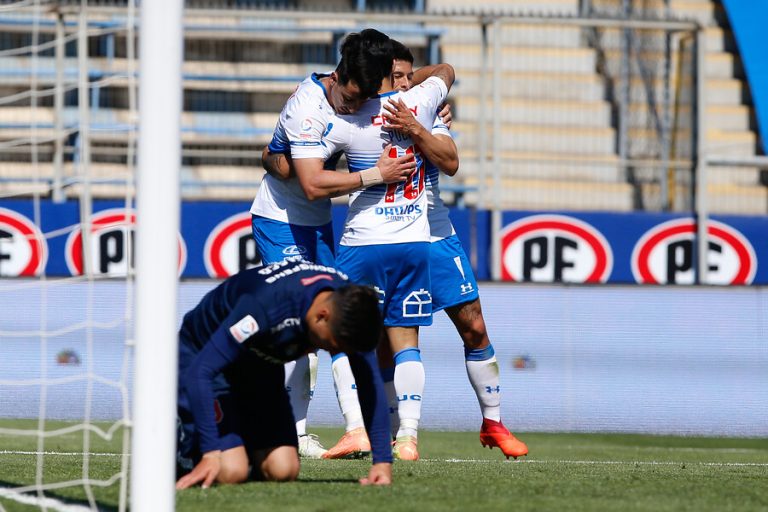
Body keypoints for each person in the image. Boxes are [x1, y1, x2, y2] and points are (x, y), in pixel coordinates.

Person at [250, 28, 415, 460]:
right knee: (301, 320)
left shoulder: (366, 93)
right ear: (338, 75)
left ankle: (356, 430)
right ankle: (293, 431)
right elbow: (309, 183)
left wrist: (430, 103)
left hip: (319, 226)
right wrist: (376, 175)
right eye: (351, 97)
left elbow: (434, 74)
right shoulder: (308, 107)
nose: (356, 107)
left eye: (365, 98)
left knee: (337, 320)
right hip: (281, 221)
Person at [380, 44, 528, 460]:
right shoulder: (362, 113)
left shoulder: (424, 109)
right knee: (384, 339)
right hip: (385, 237)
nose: (407, 83)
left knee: (475, 326)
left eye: (411, 75)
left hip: (435, 234)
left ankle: (493, 423)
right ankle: (392, 432)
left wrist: (416, 119)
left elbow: (450, 161)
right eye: (397, 76)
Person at [315, 57, 456, 461]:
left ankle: (357, 430)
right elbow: (446, 70)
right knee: (406, 341)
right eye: (400, 75)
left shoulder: (351, 119)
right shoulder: (423, 104)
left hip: (362, 246)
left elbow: (311, 172)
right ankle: (408, 437)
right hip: (414, 242)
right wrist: (420, 83)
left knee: (341, 335)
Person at [175, 257, 393, 489]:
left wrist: (382, 462)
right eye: (332, 345)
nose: (332, 351)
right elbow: (200, 371)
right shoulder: (265, 307)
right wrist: (210, 453)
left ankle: (238, 445)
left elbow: (369, 384)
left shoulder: (354, 315)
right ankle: (182, 450)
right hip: (206, 357)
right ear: (322, 315)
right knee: (230, 471)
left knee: (283, 469)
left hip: (260, 363)